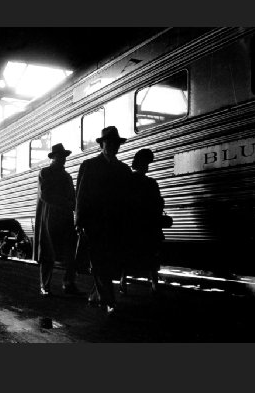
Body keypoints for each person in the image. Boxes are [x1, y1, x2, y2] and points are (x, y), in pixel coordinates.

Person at [75, 126, 132, 314]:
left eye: (116, 144)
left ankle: (96, 295)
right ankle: (109, 300)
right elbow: (81, 195)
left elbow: (127, 199)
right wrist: (79, 221)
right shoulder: (89, 165)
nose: (113, 147)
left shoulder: (124, 170)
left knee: (108, 261)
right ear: (102, 145)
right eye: (109, 143)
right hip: (95, 223)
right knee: (100, 261)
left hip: (115, 224)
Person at [33, 143, 81, 296]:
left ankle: (68, 283)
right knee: (48, 252)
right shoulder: (45, 172)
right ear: (53, 157)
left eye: (64, 157)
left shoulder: (66, 176)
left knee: (70, 250)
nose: (63, 159)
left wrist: (75, 206)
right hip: (50, 217)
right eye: (60, 156)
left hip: (65, 218)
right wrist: (67, 203)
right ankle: (45, 285)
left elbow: (72, 197)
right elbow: (45, 195)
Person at [120, 149, 165, 295]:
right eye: (145, 163)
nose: (147, 166)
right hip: (147, 226)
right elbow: (158, 204)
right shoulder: (151, 183)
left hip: (133, 226)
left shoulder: (128, 181)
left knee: (129, 255)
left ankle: (123, 282)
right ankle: (154, 284)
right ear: (140, 164)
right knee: (152, 255)